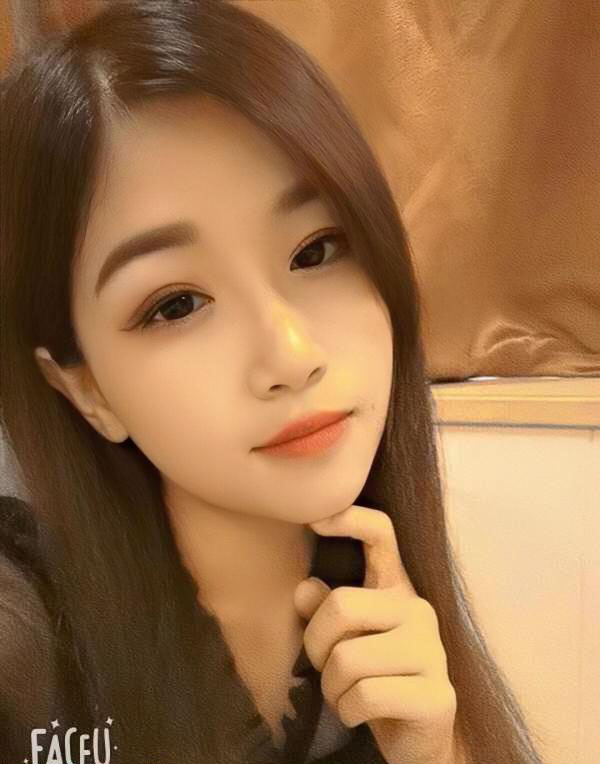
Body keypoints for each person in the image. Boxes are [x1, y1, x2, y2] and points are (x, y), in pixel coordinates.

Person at [0, 1, 548, 762]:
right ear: (84, 391)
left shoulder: (384, 569)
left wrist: (434, 751)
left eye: (316, 251)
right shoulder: (23, 633)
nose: (292, 356)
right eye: (176, 305)